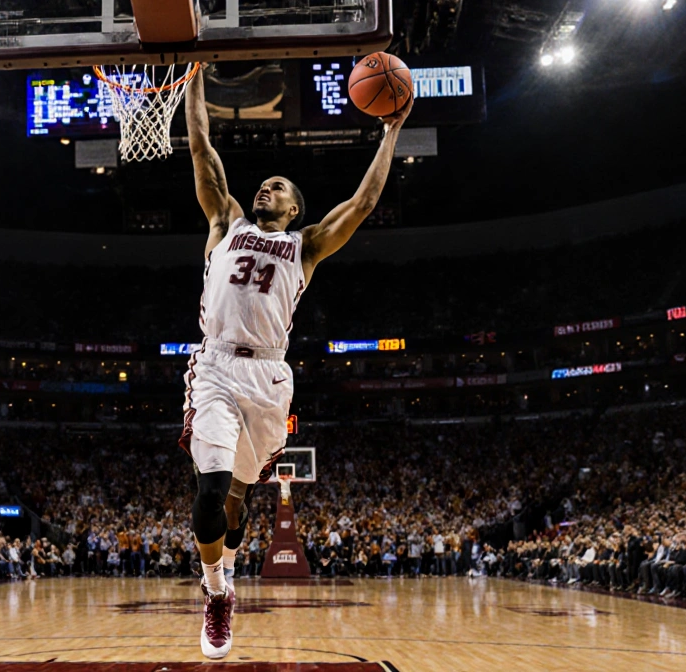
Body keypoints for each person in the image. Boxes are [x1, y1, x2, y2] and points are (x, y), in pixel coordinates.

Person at [180, 66, 413, 658]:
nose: (266, 189)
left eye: (279, 186)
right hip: (213, 369)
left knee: (235, 500)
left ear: (296, 206)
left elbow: (361, 203)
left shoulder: (305, 246)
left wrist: (390, 132)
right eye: (264, 184)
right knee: (208, 493)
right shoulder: (223, 222)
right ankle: (215, 594)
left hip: (268, 378)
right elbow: (203, 146)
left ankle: (227, 561)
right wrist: (193, 78)